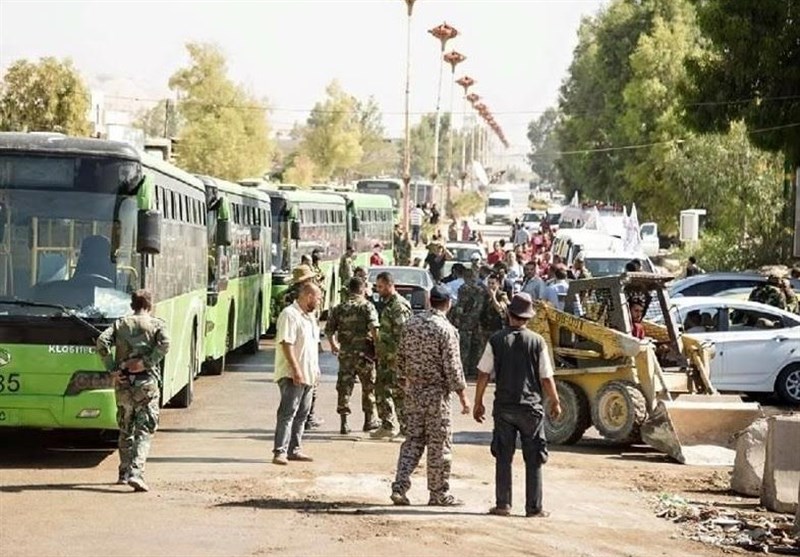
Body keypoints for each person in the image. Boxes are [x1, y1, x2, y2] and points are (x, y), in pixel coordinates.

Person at [473, 292, 562, 518]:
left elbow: (483, 373)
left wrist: (478, 402)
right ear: (528, 318)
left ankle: (503, 504)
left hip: (504, 408)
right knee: (534, 459)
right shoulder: (537, 341)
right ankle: (534, 508)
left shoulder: (496, 340)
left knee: (503, 456)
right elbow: (546, 378)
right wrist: (555, 402)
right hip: (531, 408)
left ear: (509, 315)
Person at [390, 285, 471, 507]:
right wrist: (464, 397)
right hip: (437, 395)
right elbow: (453, 368)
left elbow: (400, 359)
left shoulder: (410, 325)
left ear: (429, 301)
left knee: (413, 441)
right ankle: (438, 493)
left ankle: (400, 486)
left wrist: (405, 384)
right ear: (449, 303)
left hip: (414, 391)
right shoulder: (446, 330)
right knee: (439, 444)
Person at [96, 289, 170, 492]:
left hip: (123, 383)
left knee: (125, 427)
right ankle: (137, 473)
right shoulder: (157, 324)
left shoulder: (120, 324)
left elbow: (102, 342)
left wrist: (112, 369)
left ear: (132, 305)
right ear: (149, 305)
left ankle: (124, 472)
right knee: (144, 429)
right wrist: (146, 363)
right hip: (146, 384)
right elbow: (165, 344)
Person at [272, 281, 323, 465]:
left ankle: (294, 449)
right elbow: (287, 343)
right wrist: (296, 369)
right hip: (293, 374)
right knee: (288, 413)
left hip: (308, 375)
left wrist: (315, 370)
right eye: (318, 298)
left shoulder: (310, 317)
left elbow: (311, 347)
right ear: (308, 296)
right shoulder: (290, 315)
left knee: (302, 414)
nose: (319, 302)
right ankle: (280, 451)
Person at [325, 277, 381, 434]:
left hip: (346, 354)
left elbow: (329, 329)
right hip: (365, 355)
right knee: (368, 387)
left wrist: (333, 344)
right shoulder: (367, 306)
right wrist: (378, 346)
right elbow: (374, 328)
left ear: (349, 289)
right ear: (362, 289)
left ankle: (344, 422)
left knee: (344, 387)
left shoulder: (339, 307)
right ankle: (368, 421)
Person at [372, 271, 413, 438]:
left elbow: (404, 335)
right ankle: (387, 425)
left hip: (396, 359)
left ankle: (406, 428)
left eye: (381, 287)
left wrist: (402, 360)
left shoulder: (398, 307)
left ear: (390, 285)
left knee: (399, 393)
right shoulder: (388, 305)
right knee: (381, 391)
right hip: (385, 358)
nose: (378, 290)